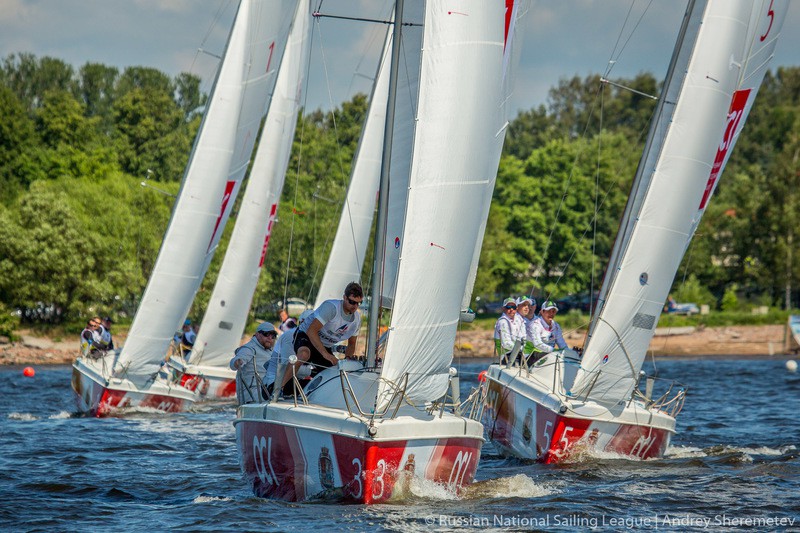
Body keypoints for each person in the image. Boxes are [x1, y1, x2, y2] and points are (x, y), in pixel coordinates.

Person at [294, 282, 363, 377]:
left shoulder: (357, 319)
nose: (355, 306)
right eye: (352, 302)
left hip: (324, 345)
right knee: (304, 354)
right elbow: (311, 331)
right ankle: (281, 385)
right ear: (344, 297)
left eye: (358, 303)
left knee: (335, 371)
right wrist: (325, 354)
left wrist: (347, 360)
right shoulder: (331, 308)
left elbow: (351, 344)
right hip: (305, 336)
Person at [263, 310, 314, 396]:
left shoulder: (311, 338)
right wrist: (312, 372)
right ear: (302, 322)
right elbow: (287, 365)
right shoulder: (291, 336)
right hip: (274, 384)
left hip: (292, 381)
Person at [229, 322, 277, 404]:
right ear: (257, 334)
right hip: (252, 393)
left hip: (267, 389)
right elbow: (234, 363)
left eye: (273, 335)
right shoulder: (249, 349)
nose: (270, 338)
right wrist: (238, 362)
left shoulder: (273, 350)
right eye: (266, 334)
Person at [493, 297, 526, 364]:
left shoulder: (519, 320)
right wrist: (520, 349)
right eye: (508, 307)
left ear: (516, 308)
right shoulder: (502, 322)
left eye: (513, 307)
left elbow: (523, 337)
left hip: (518, 354)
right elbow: (506, 343)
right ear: (503, 308)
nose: (511, 309)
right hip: (506, 357)